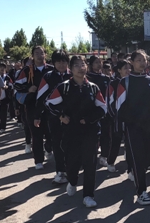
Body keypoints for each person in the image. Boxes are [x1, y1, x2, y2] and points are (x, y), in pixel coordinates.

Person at [46, 55, 107, 208]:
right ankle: (72, 181)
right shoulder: (64, 87)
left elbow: (103, 108)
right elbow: (49, 103)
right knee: (72, 163)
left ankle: (88, 195)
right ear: (71, 69)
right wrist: (62, 116)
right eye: (77, 65)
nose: (81, 68)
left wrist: (89, 119)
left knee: (90, 163)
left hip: (90, 131)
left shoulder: (93, 87)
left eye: (83, 65)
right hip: (70, 132)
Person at [113, 50, 150, 206]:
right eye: (138, 60)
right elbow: (119, 107)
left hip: (149, 126)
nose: (142, 63)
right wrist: (119, 127)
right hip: (132, 127)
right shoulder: (125, 82)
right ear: (132, 62)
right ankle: (141, 192)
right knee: (137, 158)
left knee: (147, 159)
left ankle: (137, 175)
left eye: (144, 60)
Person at [35, 50, 72, 184]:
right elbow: (41, 98)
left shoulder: (73, 75)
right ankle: (60, 171)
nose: (62, 65)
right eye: (58, 62)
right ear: (54, 63)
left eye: (64, 62)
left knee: (71, 143)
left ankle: (71, 169)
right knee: (57, 143)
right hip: (54, 116)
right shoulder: (48, 77)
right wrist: (37, 115)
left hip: (72, 116)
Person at [15, 46, 54, 169]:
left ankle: (48, 148)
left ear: (45, 55)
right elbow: (17, 85)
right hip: (32, 106)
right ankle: (38, 160)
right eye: (36, 53)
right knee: (36, 134)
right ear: (32, 56)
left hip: (49, 106)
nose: (39, 55)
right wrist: (28, 89)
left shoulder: (51, 70)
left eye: (41, 53)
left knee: (51, 133)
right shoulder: (27, 71)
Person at [86, 55, 112, 167]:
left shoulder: (106, 78)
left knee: (106, 134)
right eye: (96, 62)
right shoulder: (87, 78)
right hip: (92, 111)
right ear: (91, 65)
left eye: (99, 62)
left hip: (104, 110)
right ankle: (90, 156)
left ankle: (104, 156)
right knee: (93, 135)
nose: (98, 64)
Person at [106, 59, 130, 173]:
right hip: (117, 118)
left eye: (129, 68)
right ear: (119, 70)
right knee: (116, 140)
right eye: (125, 68)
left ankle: (130, 166)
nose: (128, 70)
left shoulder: (132, 81)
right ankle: (110, 161)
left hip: (131, 117)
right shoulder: (113, 83)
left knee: (130, 140)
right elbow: (109, 102)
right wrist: (114, 116)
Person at [0, 62, 14, 134]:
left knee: (3, 113)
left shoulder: (7, 77)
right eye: (0, 67)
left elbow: (11, 86)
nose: (2, 68)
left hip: (5, 98)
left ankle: (2, 127)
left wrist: (7, 87)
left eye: (3, 67)